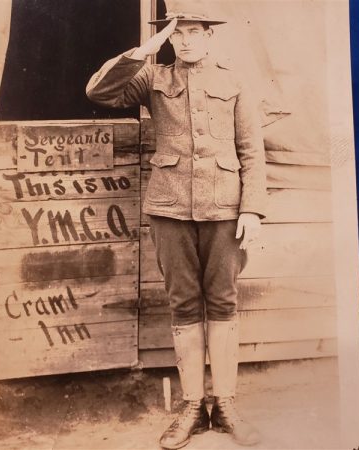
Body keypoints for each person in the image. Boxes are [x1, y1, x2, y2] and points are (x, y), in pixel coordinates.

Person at [86, 1, 267, 448]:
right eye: (176, 33)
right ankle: (192, 406)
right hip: (168, 209)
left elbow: (251, 151)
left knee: (223, 302)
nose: (184, 40)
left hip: (226, 209)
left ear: (210, 35)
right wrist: (143, 50)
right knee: (183, 304)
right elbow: (100, 93)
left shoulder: (234, 80)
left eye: (193, 32)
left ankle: (223, 404)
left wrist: (252, 209)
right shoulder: (153, 77)